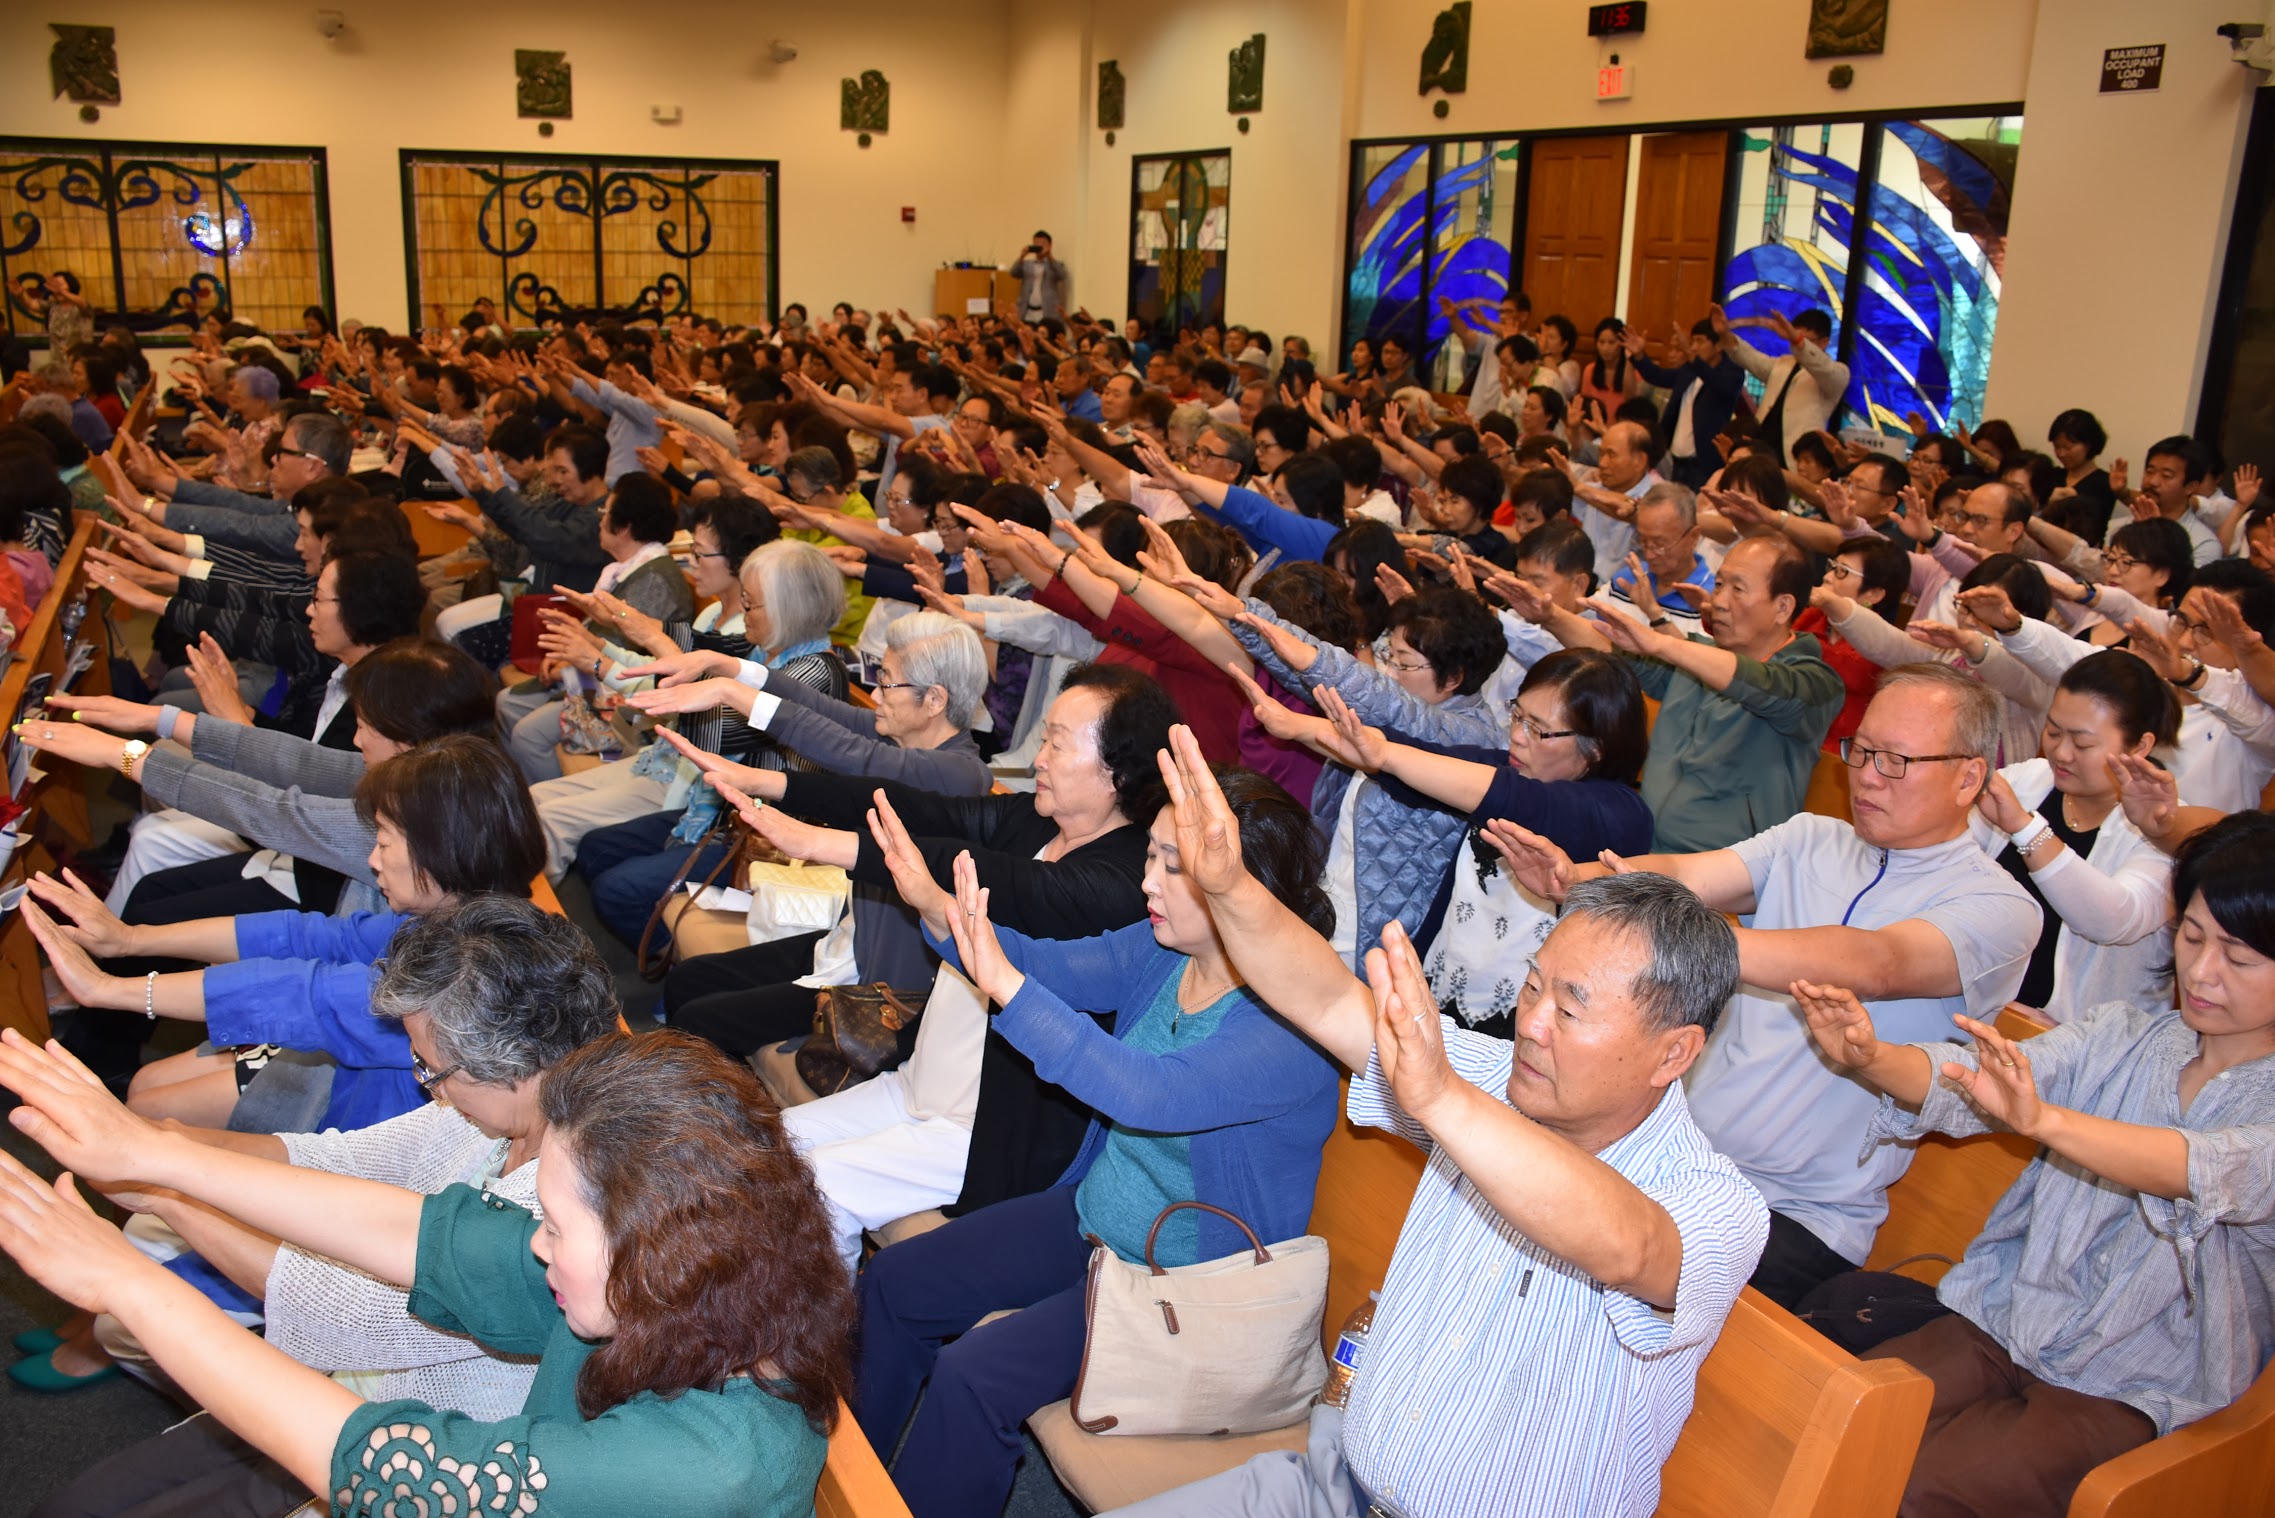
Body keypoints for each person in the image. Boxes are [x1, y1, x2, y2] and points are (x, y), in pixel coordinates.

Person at [1097, 731, 1766, 1518]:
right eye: (1532, 989)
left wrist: (1440, 1100)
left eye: (1571, 1008)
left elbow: (1629, 1248)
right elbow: (1323, 1001)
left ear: (1673, 1053)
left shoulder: (1717, 1205)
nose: (1532, 1025)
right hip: (1334, 1483)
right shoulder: (1487, 1079)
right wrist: (1231, 889)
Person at [0, 1026, 852, 1518]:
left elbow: (383, 1462)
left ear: (657, 1247)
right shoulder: (685, 1293)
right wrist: (155, 1156)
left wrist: (131, 1284)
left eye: (554, 1225)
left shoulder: (709, 1463)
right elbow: (426, 1238)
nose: (535, 1243)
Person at [852, 759, 1343, 1518]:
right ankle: (852, 1484)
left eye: (1173, 866)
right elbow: (1045, 965)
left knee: (976, 1377)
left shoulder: (1288, 1028)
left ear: (1245, 888)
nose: (1147, 881)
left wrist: (1004, 984)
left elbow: (1143, 1091)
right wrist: (931, 904)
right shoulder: (1164, 948)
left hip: (1180, 1284)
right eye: (1150, 855)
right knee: (897, 1283)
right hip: (1096, 1220)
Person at [16, 897, 618, 1493]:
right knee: (100, 1496)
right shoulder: (500, 1112)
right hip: (350, 1385)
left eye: (431, 1069)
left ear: (512, 1069)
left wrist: (162, 1187)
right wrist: (159, 1143)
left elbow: (340, 1312)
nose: (424, 1085)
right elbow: (338, 1160)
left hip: (412, 1446)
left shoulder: (563, 1207)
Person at [1487, 664, 2041, 1309]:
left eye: (1896, 760)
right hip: (1673, 1157)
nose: (1866, 775)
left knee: (1578, 1293)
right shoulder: (1813, 837)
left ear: (1969, 775)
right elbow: (1686, 874)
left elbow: (1875, 963)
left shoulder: (2000, 906)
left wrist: (1683, 934)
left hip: (1796, 1215)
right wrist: (1579, 879)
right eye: (1860, 751)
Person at [1792, 811, 2275, 1517]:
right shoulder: (2123, 1035)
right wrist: (1873, 1057)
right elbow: (1984, 1081)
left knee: (1919, 1492)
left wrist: (2042, 1119)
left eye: (2237, 957)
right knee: (1832, 1426)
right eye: (2192, 937)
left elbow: (2196, 1167)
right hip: (2001, 1316)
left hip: (2134, 1379)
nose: (2200, 972)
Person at [677, 664, 1177, 1219]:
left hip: (983, 1130)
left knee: (814, 1194)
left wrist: (823, 844)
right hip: (918, 1087)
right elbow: (917, 808)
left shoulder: (1127, 875)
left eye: (1057, 745)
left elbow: (1000, 880)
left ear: (1118, 773)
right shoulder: (1038, 823)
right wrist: (772, 785)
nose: (1038, 758)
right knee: (760, 1151)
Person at [21, 735, 547, 1135]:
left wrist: (113, 990)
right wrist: (131, 939)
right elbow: (309, 940)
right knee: (144, 1091)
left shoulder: (472, 962)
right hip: (348, 1066)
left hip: (369, 1121)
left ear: (441, 848)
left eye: (384, 842)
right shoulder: (465, 911)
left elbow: (310, 997)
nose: (370, 859)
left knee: (146, 1113)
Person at [1515, 532, 1845, 852]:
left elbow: (1764, 686)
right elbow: (1615, 651)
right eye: (1719, 584)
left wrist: (1665, 645)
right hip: (1643, 846)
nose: (1719, 601)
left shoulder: (1813, 684)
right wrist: (1549, 615)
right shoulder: (1694, 657)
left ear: (1783, 607)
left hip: (1728, 877)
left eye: (1737, 589)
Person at [1969, 651, 2183, 1023]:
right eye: (2053, 732)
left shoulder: (2163, 827)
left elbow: (2114, 919)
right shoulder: (2028, 781)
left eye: (2083, 744)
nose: (2061, 753)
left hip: (2093, 1046)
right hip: (1983, 1011)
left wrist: (2025, 828)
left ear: (2140, 747)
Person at [1627, 317, 1746, 488]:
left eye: (1700, 341)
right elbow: (1658, 376)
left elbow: (1719, 385)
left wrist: (1691, 356)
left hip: (1703, 464)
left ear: (1718, 346)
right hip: (1674, 460)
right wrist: (1639, 355)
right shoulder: (1690, 370)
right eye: (1692, 341)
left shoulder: (1732, 373)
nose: (1694, 347)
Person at [1722, 307, 1849, 466]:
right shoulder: (1784, 363)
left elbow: (1821, 367)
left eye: (1806, 340)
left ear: (1824, 343)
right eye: (1792, 338)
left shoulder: (1837, 372)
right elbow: (1752, 359)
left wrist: (1797, 340)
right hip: (1762, 446)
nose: (1797, 345)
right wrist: (1725, 335)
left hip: (1795, 455)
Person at [1011, 231, 1068, 323]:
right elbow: (1013, 273)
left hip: (1048, 312)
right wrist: (1021, 256)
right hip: (1027, 311)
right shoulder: (1026, 264)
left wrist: (1049, 256)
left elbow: (1062, 275)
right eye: (1036, 244)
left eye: (1042, 244)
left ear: (1050, 245)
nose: (1039, 246)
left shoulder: (1055, 264)